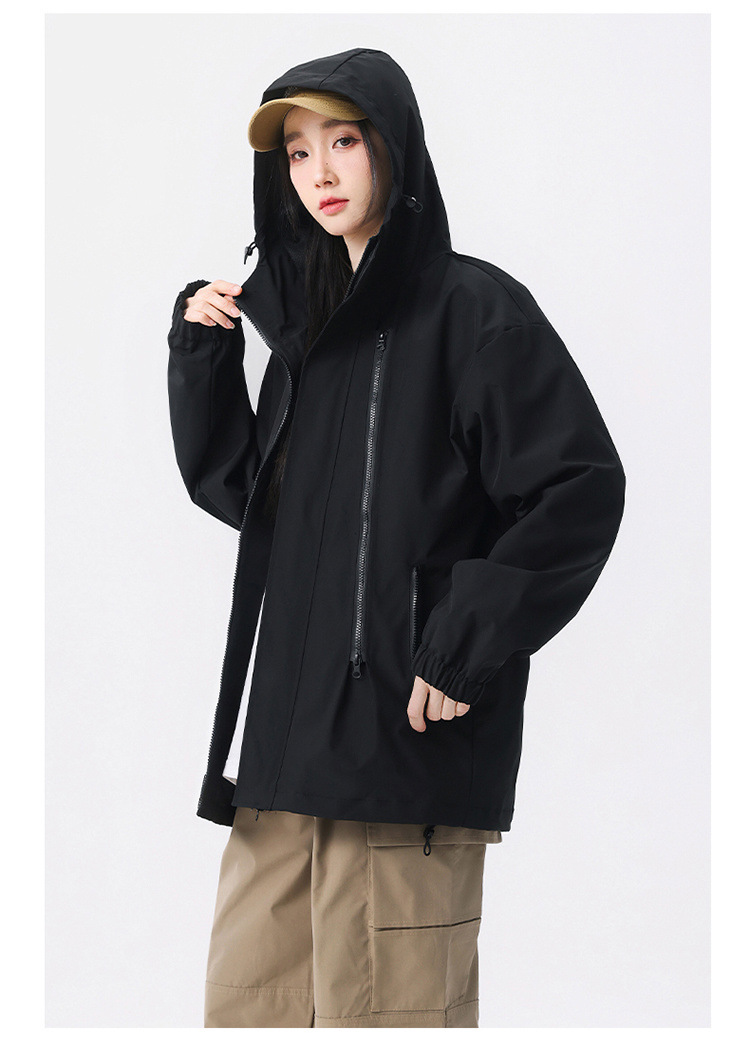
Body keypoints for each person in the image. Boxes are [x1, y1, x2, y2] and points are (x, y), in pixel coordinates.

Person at [167, 47, 626, 1029]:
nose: (319, 173)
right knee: (249, 1016)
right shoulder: (308, 338)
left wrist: (465, 643)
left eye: (343, 141)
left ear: (393, 147)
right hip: (282, 772)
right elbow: (263, 511)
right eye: (297, 153)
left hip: (400, 762)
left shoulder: (475, 312)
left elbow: (578, 488)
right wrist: (204, 363)